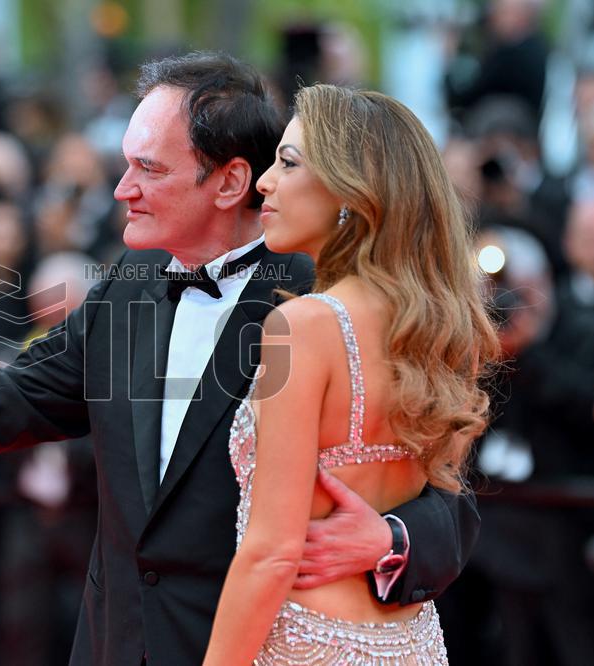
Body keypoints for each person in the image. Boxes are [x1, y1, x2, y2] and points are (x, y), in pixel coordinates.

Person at [0, 52, 480, 665]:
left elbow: (446, 490)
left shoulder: (327, 299)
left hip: (255, 648)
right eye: (125, 164)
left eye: (148, 169)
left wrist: (393, 539)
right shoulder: (125, 288)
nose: (121, 190)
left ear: (230, 181)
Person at [203, 85, 499, 664]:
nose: (265, 182)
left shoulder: (300, 326)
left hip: (306, 643)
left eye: (288, 163)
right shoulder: (438, 330)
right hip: (412, 644)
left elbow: (270, 554)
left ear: (352, 193)